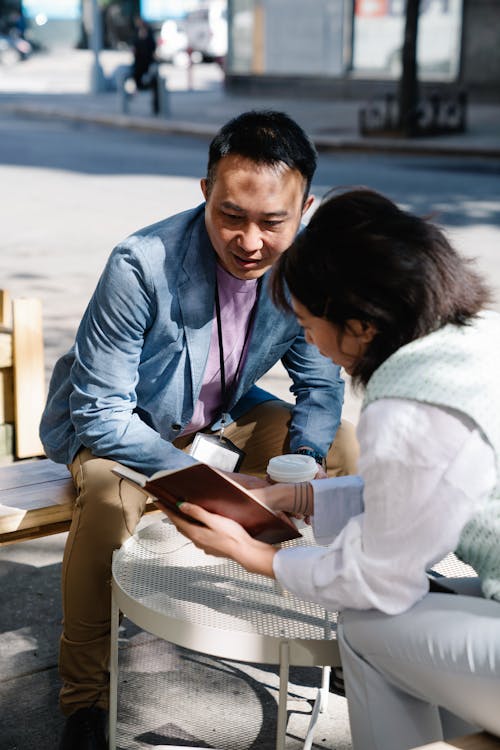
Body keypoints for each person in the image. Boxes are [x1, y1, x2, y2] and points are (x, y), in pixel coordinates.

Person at [40, 110, 358, 750]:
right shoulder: (141, 265)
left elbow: (320, 386)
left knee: (343, 446)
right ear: (205, 192)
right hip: (120, 431)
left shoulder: (303, 271)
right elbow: (100, 411)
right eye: (230, 216)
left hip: (216, 420)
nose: (249, 241)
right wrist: (223, 480)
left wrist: (300, 465)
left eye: (273, 222)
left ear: (305, 210)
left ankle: (352, 636)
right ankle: (84, 697)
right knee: (105, 502)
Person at [166, 188, 500, 750]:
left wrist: (254, 555)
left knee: (367, 625)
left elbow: (376, 581)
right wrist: (293, 499)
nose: (312, 342)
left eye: (308, 323)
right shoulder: (475, 337)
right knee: (402, 616)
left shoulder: (405, 405)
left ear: (362, 324)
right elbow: (423, 482)